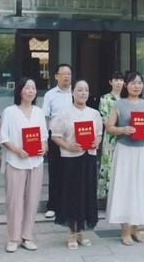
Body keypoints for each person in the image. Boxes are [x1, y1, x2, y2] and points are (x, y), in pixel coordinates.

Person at [106, 71, 144, 245]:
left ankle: (136, 228)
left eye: (139, 82)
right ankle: (125, 229)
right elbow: (109, 127)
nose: (137, 86)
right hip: (125, 151)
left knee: (140, 188)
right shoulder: (119, 104)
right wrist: (123, 130)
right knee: (125, 189)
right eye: (133, 83)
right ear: (126, 85)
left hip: (142, 151)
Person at [51, 79, 103, 249]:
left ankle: (81, 233)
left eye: (86, 90)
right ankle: (72, 234)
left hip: (89, 158)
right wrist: (69, 146)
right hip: (71, 159)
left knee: (87, 194)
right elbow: (55, 136)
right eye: (80, 90)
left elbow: (99, 134)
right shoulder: (64, 113)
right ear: (73, 92)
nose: (83, 93)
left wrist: (97, 141)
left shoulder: (94, 113)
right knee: (72, 195)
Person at [0, 77, 48, 253]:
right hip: (15, 162)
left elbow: (44, 137)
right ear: (20, 91)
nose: (31, 91)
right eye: (27, 88)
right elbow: (3, 137)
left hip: (36, 162)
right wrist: (17, 150)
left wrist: (43, 148)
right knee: (14, 201)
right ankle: (14, 238)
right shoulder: (10, 112)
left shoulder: (39, 112)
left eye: (33, 88)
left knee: (32, 200)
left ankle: (27, 236)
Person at [42, 63, 73, 219]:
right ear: (56, 76)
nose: (67, 76)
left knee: (72, 172)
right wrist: (45, 139)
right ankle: (53, 206)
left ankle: (69, 205)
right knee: (55, 173)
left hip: (73, 138)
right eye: (63, 74)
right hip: (55, 137)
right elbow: (45, 118)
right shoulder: (50, 95)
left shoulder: (76, 92)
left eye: (69, 74)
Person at [97, 71, 124, 200]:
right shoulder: (105, 98)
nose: (118, 83)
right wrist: (117, 127)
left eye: (121, 80)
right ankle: (108, 195)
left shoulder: (126, 99)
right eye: (116, 80)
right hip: (110, 137)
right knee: (109, 164)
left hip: (124, 137)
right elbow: (104, 118)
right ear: (110, 82)